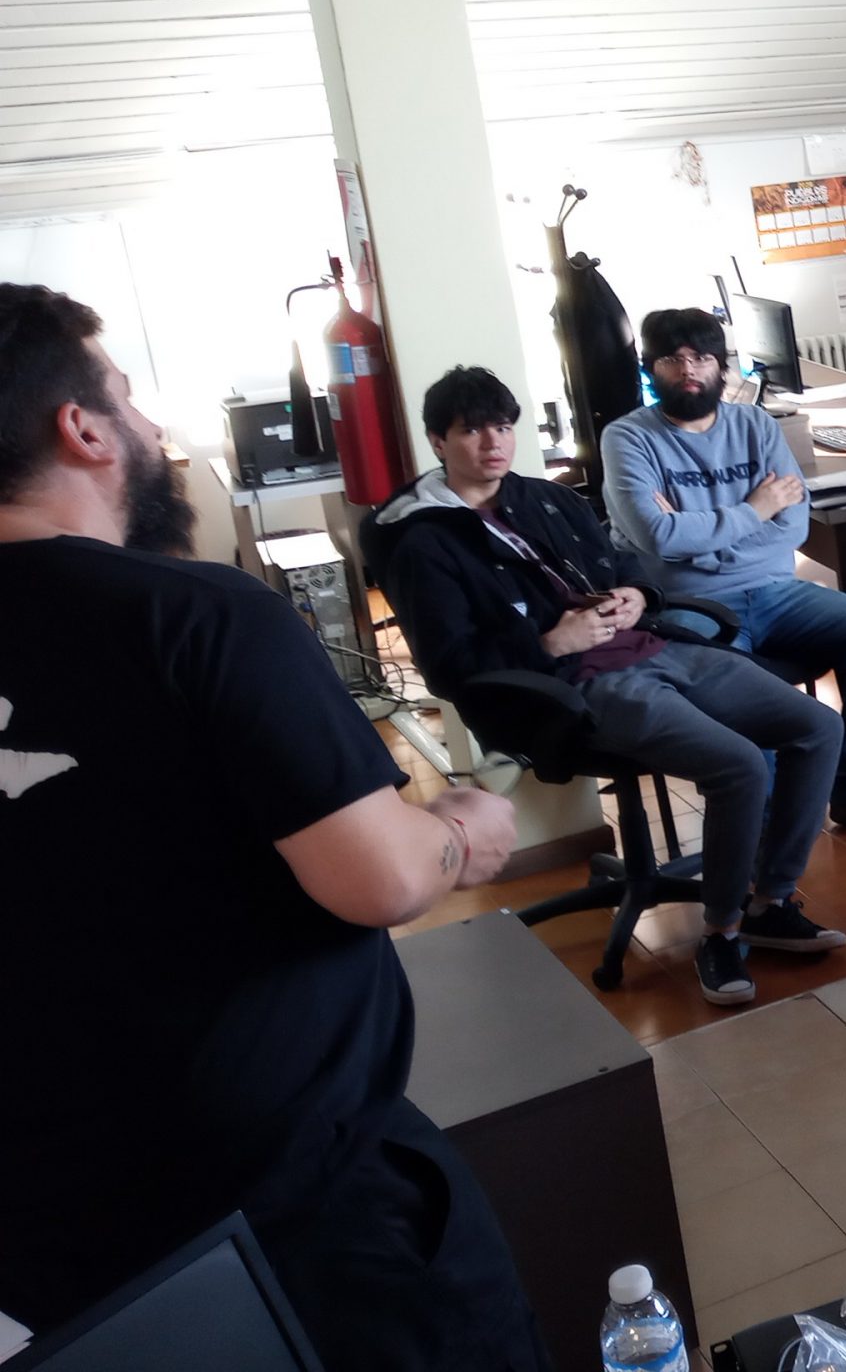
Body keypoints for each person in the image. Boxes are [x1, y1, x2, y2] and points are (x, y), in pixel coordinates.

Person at [0, 286, 548, 1369]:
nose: (149, 425)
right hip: (295, 1217)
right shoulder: (197, 616)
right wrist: (458, 830)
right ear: (83, 430)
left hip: (52, 1241)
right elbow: (380, 879)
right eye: (127, 398)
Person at [368, 365, 846, 1007]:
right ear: (437, 441)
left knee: (818, 726)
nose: (493, 443)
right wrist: (550, 643)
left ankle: (770, 902)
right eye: (473, 431)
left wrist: (637, 593)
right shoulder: (423, 541)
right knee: (738, 765)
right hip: (576, 683)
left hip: (656, 646)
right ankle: (722, 932)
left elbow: (620, 560)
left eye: (503, 427)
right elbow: (450, 665)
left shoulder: (544, 498)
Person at [600, 307, 846, 837]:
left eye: (701, 357)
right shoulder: (628, 438)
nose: (688, 370)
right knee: (734, 681)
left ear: (721, 365)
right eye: (672, 359)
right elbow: (658, 537)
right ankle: (760, 823)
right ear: (650, 368)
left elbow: (791, 525)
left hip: (775, 590)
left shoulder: (755, 425)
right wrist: (753, 510)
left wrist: (697, 538)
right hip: (687, 603)